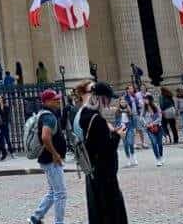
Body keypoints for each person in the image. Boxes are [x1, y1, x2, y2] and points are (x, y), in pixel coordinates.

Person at [73, 82, 129, 224]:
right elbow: (106, 149)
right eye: (108, 98)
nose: (110, 102)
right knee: (110, 210)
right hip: (104, 172)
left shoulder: (86, 115)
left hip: (93, 170)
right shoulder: (97, 120)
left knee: (97, 208)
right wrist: (118, 136)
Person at [28, 89, 67, 224]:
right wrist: (55, 154)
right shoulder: (48, 117)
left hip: (47, 159)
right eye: (55, 99)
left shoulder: (45, 114)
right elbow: (45, 137)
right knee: (60, 193)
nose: (58, 100)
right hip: (51, 160)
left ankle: (36, 217)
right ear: (47, 101)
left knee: (53, 191)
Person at [140, 93, 164, 167]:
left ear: (150, 99)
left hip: (158, 127)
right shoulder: (144, 108)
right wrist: (146, 124)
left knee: (160, 143)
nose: (144, 100)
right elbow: (141, 117)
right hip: (149, 128)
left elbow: (160, 117)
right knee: (154, 143)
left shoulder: (156, 106)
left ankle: (161, 156)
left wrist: (153, 123)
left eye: (146, 99)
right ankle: (157, 159)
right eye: (144, 99)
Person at [114, 96, 137, 168]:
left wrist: (134, 128)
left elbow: (133, 119)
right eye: (121, 102)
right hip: (122, 128)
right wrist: (118, 128)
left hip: (129, 127)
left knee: (130, 143)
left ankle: (133, 156)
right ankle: (128, 159)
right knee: (125, 144)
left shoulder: (129, 110)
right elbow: (116, 121)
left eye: (124, 102)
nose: (122, 103)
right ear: (120, 103)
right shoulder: (118, 111)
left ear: (126, 103)